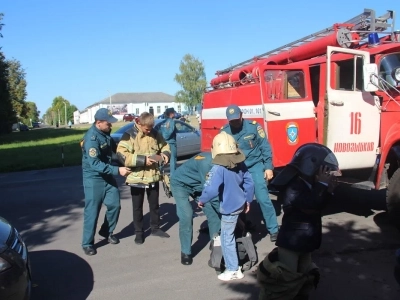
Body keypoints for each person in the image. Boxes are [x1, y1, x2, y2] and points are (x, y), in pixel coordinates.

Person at [257, 143, 339, 300]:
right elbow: (309, 206)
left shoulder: (311, 185)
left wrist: (328, 191)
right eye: (323, 170)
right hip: (291, 244)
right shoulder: (294, 186)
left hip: (306, 242)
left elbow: (319, 206)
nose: (326, 174)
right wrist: (322, 186)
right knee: (285, 280)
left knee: (304, 277)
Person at [198, 132, 254, 281]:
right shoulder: (240, 163)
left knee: (226, 237)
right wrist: (248, 200)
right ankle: (237, 263)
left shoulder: (218, 167)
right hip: (241, 204)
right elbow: (249, 182)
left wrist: (202, 200)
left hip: (229, 207)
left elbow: (210, 188)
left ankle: (233, 269)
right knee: (233, 233)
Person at [220, 104, 279, 241]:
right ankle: (242, 227)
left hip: (255, 166)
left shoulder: (253, 127)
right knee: (238, 200)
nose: (235, 122)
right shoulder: (224, 132)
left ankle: (273, 229)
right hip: (236, 168)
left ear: (241, 115)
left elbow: (265, 147)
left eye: (236, 119)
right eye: (231, 120)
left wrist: (269, 167)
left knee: (263, 198)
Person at [80, 108, 131, 256]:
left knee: (114, 205)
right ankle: (87, 243)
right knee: (92, 211)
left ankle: (106, 231)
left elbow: (113, 152)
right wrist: (118, 171)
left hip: (107, 175)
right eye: (109, 124)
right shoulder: (91, 139)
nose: (111, 126)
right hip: (94, 178)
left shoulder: (105, 134)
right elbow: (94, 164)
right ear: (99, 123)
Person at [116, 112, 171, 245]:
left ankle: (155, 228)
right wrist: (142, 160)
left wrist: (164, 155)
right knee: (137, 207)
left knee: (154, 205)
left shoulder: (154, 133)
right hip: (136, 178)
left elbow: (165, 145)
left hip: (152, 176)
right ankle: (139, 233)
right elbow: (121, 154)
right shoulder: (129, 135)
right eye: (147, 128)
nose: (149, 131)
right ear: (139, 124)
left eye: (151, 128)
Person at [170, 152, 221, 265]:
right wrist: (226, 212)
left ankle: (216, 244)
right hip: (180, 184)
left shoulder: (224, 162)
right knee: (186, 215)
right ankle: (185, 252)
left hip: (199, 186)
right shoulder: (207, 163)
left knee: (213, 214)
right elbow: (211, 190)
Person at [160, 108, 177, 175]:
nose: (175, 114)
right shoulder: (171, 121)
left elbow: (159, 131)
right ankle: (173, 175)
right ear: (171, 114)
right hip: (171, 143)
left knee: (162, 158)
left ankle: (159, 172)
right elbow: (170, 131)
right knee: (173, 160)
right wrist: (166, 138)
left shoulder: (162, 122)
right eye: (174, 113)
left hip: (163, 144)